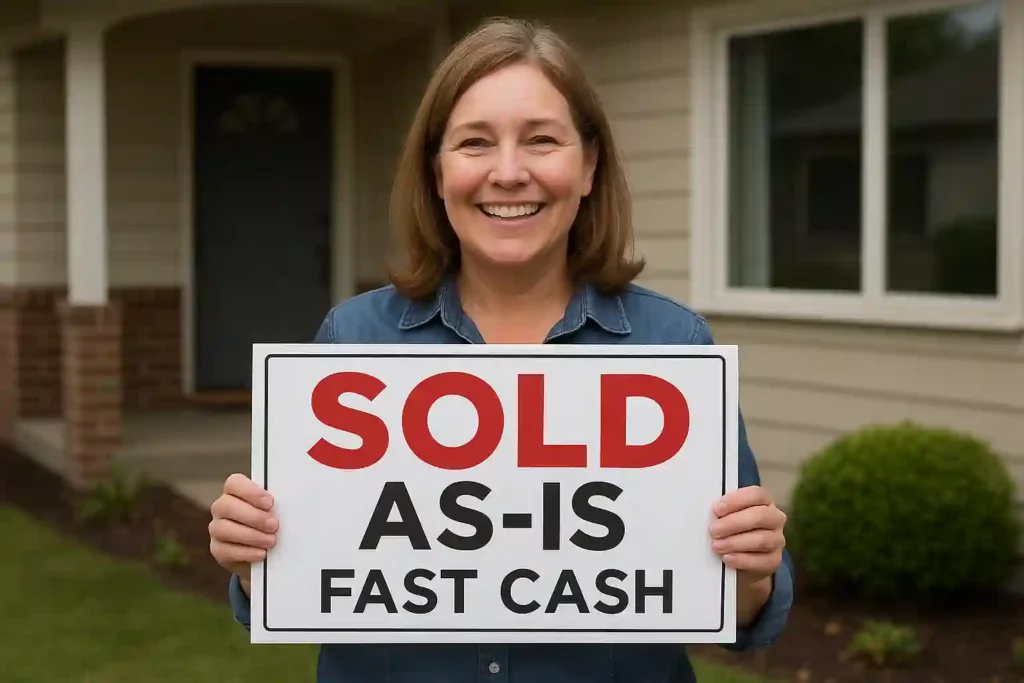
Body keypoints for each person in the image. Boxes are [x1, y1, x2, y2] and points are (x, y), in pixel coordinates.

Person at [208, 15, 793, 683]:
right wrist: (252, 558)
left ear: (589, 165)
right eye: (474, 143)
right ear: (436, 171)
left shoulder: (672, 347)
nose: (508, 173)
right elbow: (300, 582)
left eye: (542, 140)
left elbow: (742, 606)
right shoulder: (353, 340)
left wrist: (750, 573)